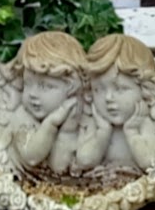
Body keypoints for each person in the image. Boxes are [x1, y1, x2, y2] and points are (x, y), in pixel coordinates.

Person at [8, 31, 94, 175]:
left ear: (72, 87)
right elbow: (32, 157)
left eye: (46, 86)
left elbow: (60, 167)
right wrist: (51, 123)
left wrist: (68, 131)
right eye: (28, 83)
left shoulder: (81, 115)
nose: (33, 94)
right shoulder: (22, 116)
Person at [75, 33, 155, 172]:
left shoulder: (143, 123)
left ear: (144, 90)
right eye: (99, 89)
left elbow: (150, 162)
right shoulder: (96, 123)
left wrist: (132, 132)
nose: (108, 98)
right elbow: (84, 161)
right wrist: (102, 132)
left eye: (120, 89)